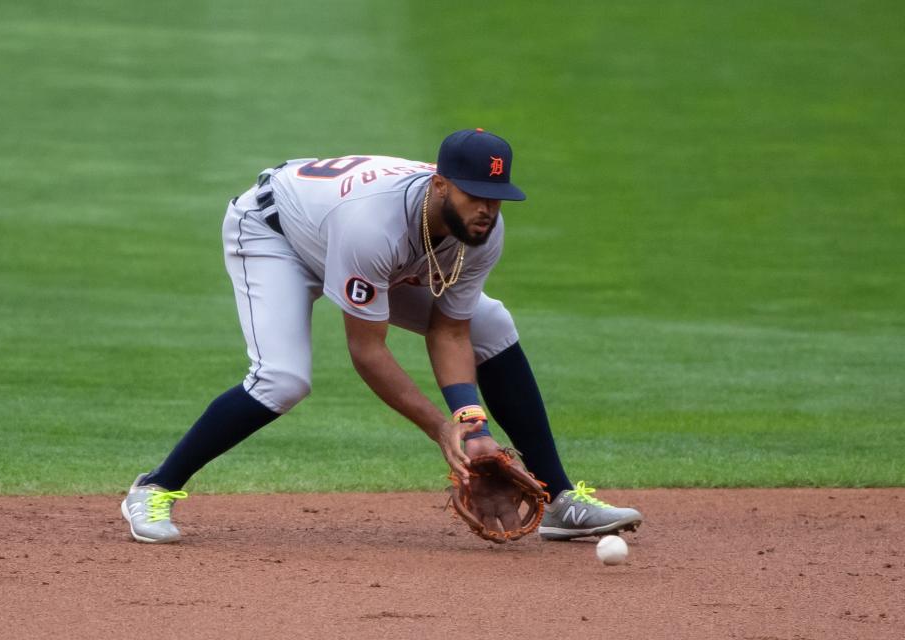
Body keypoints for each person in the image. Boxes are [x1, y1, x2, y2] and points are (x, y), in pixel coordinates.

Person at [121, 129, 643, 544]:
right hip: (273, 234)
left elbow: (451, 330)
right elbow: (367, 352)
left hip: (355, 241)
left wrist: (473, 422)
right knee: (282, 380)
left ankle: (559, 499)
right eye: (475, 195)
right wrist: (442, 429)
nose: (487, 208)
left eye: (497, 197)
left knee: (492, 324)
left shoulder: (481, 233)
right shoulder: (375, 225)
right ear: (441, 185)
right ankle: (156, 487)